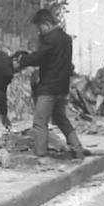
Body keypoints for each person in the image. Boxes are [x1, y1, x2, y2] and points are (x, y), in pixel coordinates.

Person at [16, 9, 86, 162]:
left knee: (40, 121)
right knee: (61, 118)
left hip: (49, 87)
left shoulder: (50, 39)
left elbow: (40, 57)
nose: (38, 31)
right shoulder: (66, 39)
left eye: (39, 27)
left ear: (47, 24)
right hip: (62, 87)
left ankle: (41, 155)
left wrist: (23, 60)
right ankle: (77, 148)